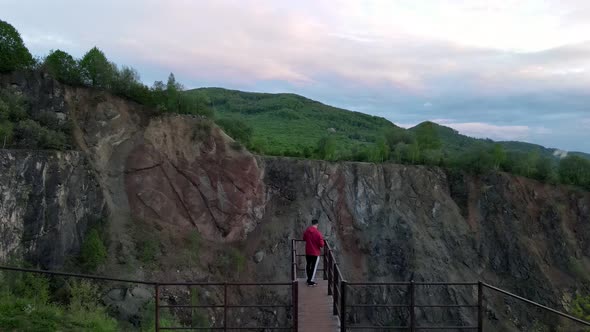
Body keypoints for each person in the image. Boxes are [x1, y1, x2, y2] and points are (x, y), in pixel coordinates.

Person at [302, 219, 324, 286]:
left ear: (312, 224)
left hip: (308, 251)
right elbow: (321, 244)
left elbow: (304, 238)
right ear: (317, 224)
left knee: (308, 265)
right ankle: (310, 281)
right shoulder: (318, 233)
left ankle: (308, 279)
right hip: (315, 252)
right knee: (314, 267)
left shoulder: (307, 231)